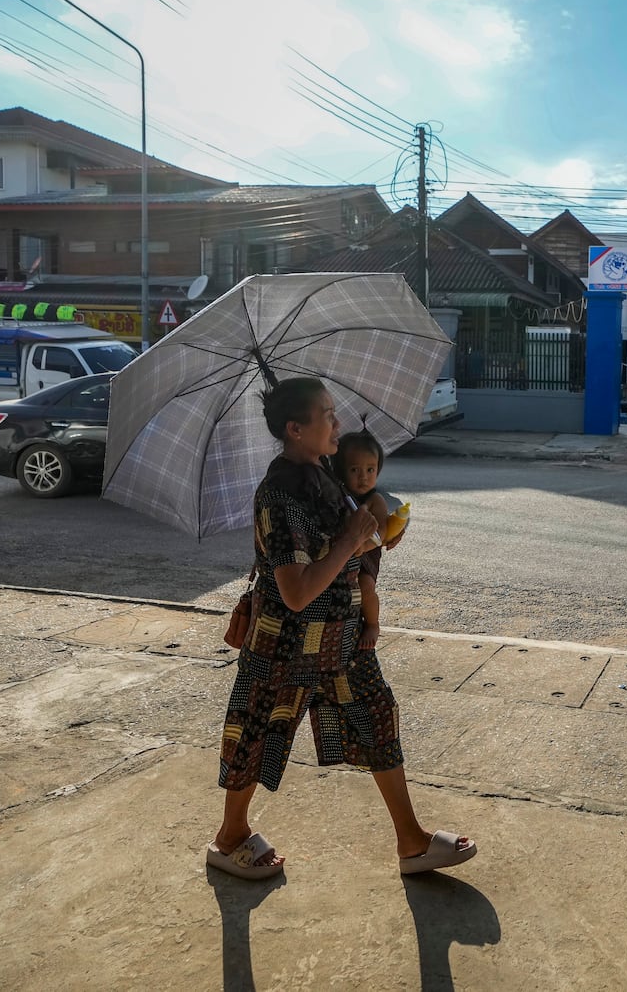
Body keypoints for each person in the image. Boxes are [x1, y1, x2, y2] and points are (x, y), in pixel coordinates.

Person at [207, 376, 476, 880]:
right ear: (295, 428)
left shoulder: (325, 477)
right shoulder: (279, 494)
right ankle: (228, 839)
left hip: (342, 637)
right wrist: (352, 536)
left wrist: (375, 535)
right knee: (259, 731)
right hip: (285, 643)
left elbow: (346, 547)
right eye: (326, 414)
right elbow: (296, 591)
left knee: (377, 717)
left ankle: (411, 841)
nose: (337, 422)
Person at [332, 424, 404, 646]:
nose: (363, 477)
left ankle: (373, 623)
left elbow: (381, 533)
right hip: (345, 551)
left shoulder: (375, 500)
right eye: (355, 470)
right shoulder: (340, 495)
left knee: (365, 586)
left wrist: (363, 545)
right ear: (341, 470)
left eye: (370, 470)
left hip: (366, 554)